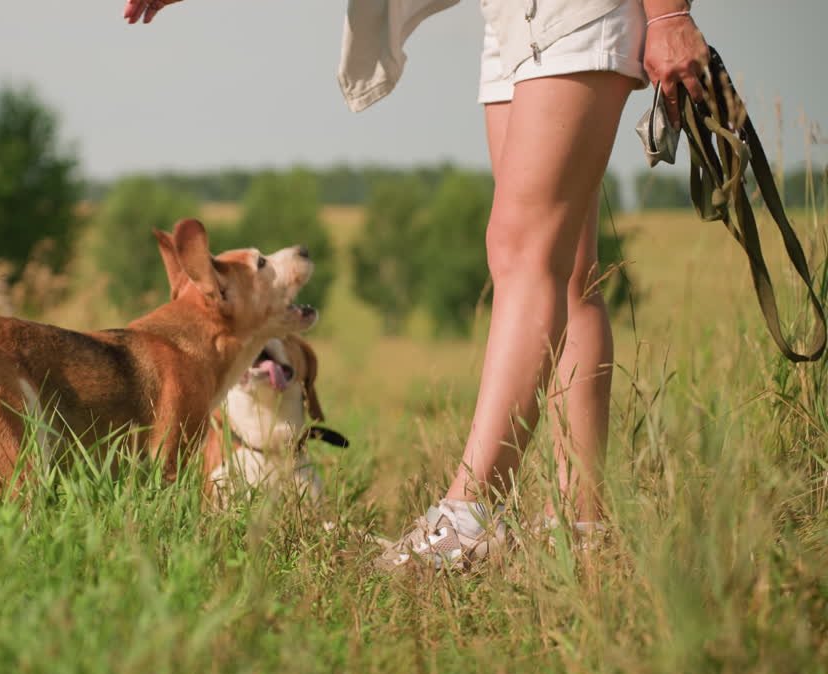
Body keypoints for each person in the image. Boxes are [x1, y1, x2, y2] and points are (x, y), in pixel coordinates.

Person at [122, 0, 710, 570]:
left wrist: (667, 13)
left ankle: (467, 515)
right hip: (510, 15)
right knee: (568, 269)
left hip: (570, 10)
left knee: (522, 253)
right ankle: (583, 528)